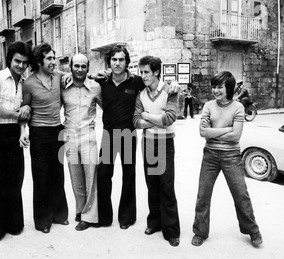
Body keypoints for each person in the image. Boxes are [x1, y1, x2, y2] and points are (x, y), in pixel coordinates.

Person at [92, 45, 180, 229]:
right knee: (103, 175)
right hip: (109, 135)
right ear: (109, 62)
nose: (117, 63)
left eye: (121, 59)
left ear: (126, 62)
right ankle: (104, 218)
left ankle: (126, 218)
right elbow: (87, 78)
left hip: (127, 134)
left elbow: (157, 82)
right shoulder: (103, 81)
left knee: (128, 176)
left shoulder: (137, 81)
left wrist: (174, 83)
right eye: (114, 59)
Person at [191, 71, 262, 248]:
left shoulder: (238, 107)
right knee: (203, 195)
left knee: (241, 194)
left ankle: (253, 230)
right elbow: (203, 133)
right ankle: (200, 232)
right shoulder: (208, 106)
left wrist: (215, 132)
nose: (215, 90)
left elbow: (236, 136)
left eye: (219, 87)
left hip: (231, 156)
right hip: (210, 155)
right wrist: (227, 129)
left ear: (228, 88)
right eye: (214, 86)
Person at [0, 41, 33, 242]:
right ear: (9, 60)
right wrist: (19, 114)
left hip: (14, 132)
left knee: (15, 180)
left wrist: (23, 129)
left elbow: (25, 113)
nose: (20, 66)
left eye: (24, 63)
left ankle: (14, 224)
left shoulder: (24, 83)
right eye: (17, 61)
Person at [20, 43, 69, 234]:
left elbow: (81, 76)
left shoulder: (59, 77)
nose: (53, 61)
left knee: (58, 174)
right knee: (41, 177)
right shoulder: (29, 83)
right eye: (49, 58)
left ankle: (59, 215)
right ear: (39, 61)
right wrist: (23, 131)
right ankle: (42, 220)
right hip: (39, 133)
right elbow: (25, 110)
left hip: (57, 131)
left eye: (53, 57)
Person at [133, 56, 181, 247]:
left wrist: (146, 115)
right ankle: (154, 222)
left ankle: (172, 231)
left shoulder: (170, 90)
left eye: (146, 72)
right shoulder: (141, 94)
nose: (143, 76)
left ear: (156, 72)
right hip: (148, 143)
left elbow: (170, 118)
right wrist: (154, 119)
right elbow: (136, 121)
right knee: (152, 185)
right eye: (141, 72)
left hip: (165, 143)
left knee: (166, 186)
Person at [62, 54, 102, 231]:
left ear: (88, 68)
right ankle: (80, 210)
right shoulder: (63, 86)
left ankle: (89, 217)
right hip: (69, 136)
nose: (79, 69)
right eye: (76, 66)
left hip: (88, 136)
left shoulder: (95, 87)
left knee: (91, 177)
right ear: (70, 67)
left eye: (83, 66)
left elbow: (107, 107)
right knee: (75, 177)